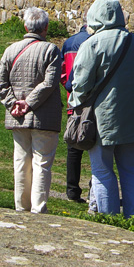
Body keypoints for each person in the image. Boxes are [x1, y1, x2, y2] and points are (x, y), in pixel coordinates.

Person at [69, 0, 134, 217]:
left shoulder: (92, 43)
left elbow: (81, 84)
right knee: (133, 171)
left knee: (102, 171)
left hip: (101, 118)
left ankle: (110, 222)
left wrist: (75, 104)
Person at [0, 7, 63, 214]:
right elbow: (50, 83)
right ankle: (38, 209)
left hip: (17, 117)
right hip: (44, 117)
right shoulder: (51, 50)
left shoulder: (11, 50)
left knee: (21, 163)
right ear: (46, 27)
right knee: (41, 164)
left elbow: (0, 83)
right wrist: (28, 103)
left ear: (26, 26)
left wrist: (13, 103)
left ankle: (21, 208)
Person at [60, 20, 92, 204]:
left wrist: (67, 87)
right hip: (92, 102)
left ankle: (72, 190)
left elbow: (63, 72)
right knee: (96, 147)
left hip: (73, 101)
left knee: (73, 147)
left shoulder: (69, 42)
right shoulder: (95, 40)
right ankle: (93, 191)